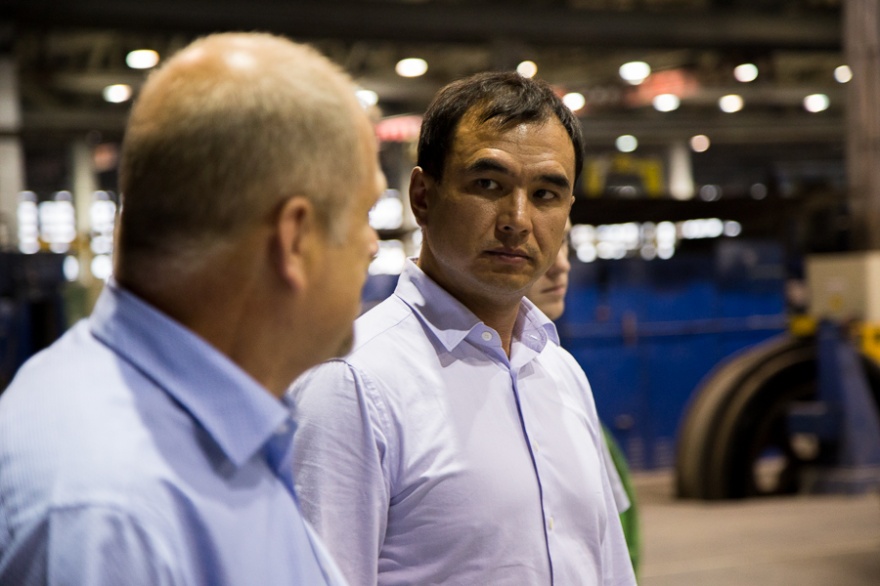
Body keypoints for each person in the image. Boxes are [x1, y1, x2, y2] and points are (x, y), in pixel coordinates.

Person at [0, 32, 383, 585]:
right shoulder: (112, 516)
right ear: (295, 239)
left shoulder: (209, 438)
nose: (373, 245)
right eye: (364, 213)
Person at [288, 71, 637, 585]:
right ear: (422, 197)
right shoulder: (353, 385)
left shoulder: (561, 375)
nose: (517, 219)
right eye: (488, 185)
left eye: (545, 194)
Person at [525, 221, 642, 576]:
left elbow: (616, 540)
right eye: (536, 241)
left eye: (563, 243)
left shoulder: (566, 375)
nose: (561, 264)